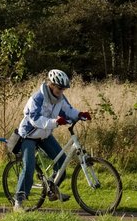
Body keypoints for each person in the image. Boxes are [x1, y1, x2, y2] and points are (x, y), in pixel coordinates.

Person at [13, 69, 92, 212]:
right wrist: (55, 122)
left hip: (44, 135)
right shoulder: (37, 98)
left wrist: (80, 114)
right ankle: (18, 202)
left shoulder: (60, 98)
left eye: (64, 89)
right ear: (51, 85)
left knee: (61, 162)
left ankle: (51, 189)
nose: (62, 91)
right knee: (29, 167)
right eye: (60, 88)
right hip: (29, 135)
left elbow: (68, 110)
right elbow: (35, 119)